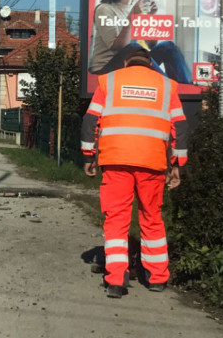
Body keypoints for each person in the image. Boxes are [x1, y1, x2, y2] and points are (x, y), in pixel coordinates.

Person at [80, 47, 189, 298]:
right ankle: (156, 277)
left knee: (117, 220)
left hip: (116, 160)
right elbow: (180, 127)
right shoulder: (167, 86)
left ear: (127, 61)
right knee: (151, 218)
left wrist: (88, 156)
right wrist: (177, 165)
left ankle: (117, 280)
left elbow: (90, 120)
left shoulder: (109, 81)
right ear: (150, 63)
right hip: (151, 163)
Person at [88, 0, 191, 84]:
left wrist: (151, 16)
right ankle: (166, 86)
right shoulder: (104, 9)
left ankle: (183, 88)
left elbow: (151, 44)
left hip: (131, 60)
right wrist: (133, 16)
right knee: (133, 48)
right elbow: (118, 47)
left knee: (168, 46)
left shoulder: (135, 8)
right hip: (106, 68)